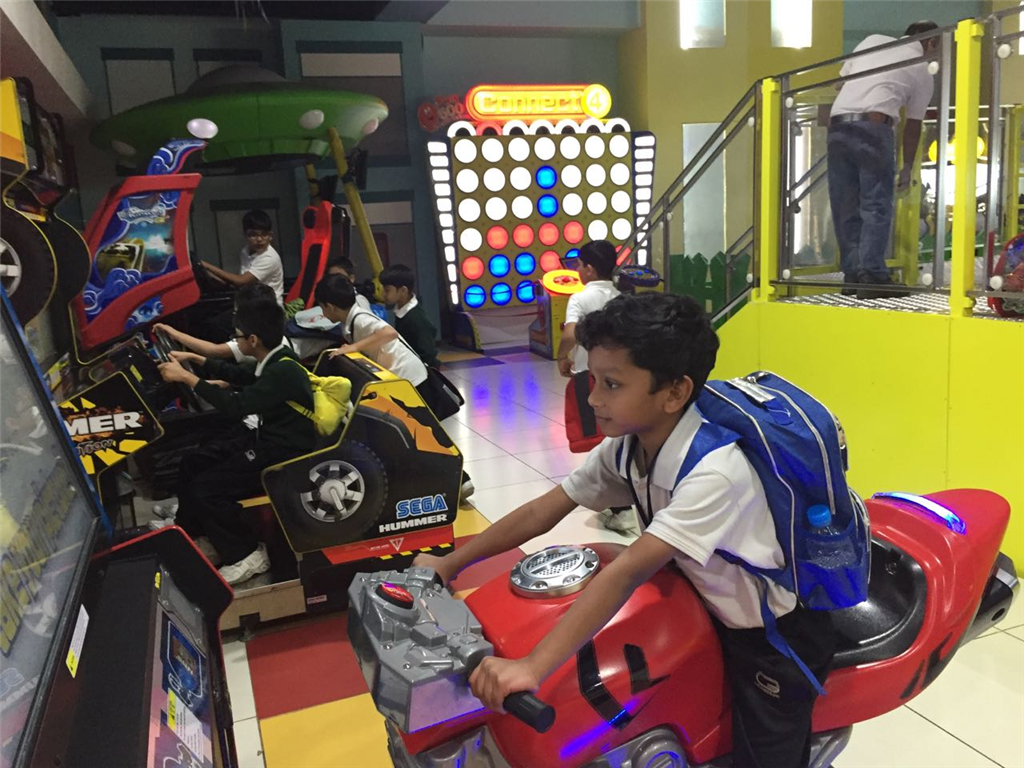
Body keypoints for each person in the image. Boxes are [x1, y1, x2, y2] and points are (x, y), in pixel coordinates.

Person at [413, 293, 835, 768]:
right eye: (594, 380)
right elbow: (543, 510)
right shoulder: (631, 446)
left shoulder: (715, 473)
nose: (594, 398)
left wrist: (532, 666)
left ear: (674, 393)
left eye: (612, 384)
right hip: (704, 601)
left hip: (771, 639)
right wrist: (451, 562)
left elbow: (629, 571)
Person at [155, 298, 316, 585]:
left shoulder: (283, 369)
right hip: (266, 439)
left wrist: (188, 379)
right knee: (193, 461)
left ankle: (247, 552)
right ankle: (196, 533)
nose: (235, 339)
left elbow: (236, 406)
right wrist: (195, 360)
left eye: (238, 335)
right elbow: (239, 375)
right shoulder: (274, 359)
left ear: (253, 340)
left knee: (208, 488)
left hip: (283, 451)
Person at [315, 274, 474, 498]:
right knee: (419, 435)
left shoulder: (359, 319)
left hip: (410, 380)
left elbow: (389, 333)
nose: (322, 314)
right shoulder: (353, 318)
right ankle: (452, 481)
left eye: (322, 308)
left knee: (422, 436)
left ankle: (460, 481)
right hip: (402, 380)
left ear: (330, 306)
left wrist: (354, 347)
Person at [828, 21, 938, 300]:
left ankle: (852, 275)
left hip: (837, 126)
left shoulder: (872, 39)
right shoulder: (922, 68)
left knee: (845, 204)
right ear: (930, 43)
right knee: (875, 203)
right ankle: (873, 275)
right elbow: (913, 125)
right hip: (874, 128)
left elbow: (840, 84)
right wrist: (907, 167)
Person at [153, 284, 290, 363]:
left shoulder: (255, 344)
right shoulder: (269, 335)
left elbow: (214, 351)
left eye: (236, 313)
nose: (234, 317)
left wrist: (174, 333)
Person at [556, 240, 620, 379]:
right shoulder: (620, 298)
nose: (577, 270)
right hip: (616, 372)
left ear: (589, 270)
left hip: (587, 372)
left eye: (579, 265)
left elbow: (570, 335)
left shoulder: (578, 299)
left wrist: (561, 357)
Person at [201, 209, 285, 305]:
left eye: (264, 234)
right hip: (250, 304)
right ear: (245, 235)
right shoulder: (246, 251)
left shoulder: (269, 258)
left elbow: (241, 281)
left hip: (268, 308)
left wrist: (207, 266)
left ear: (271, 236)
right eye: (253, 235)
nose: (259, 239)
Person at [379, 264, 440, 368]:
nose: (383, 294)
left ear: (403, 291)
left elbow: (427, 354)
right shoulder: (401, 311)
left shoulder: (417, 318)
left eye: (387, 290)